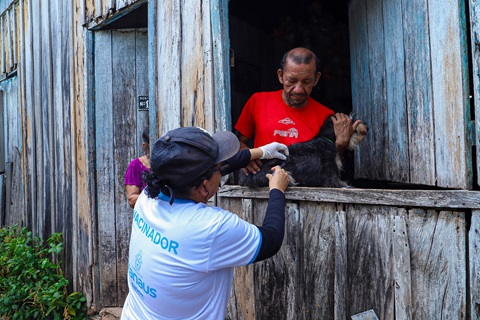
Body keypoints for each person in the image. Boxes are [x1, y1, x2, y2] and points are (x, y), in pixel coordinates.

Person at [121, 126, 290, 319]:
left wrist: (261, 152)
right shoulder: (210, 227)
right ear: (203, 187)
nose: (221, 171)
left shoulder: (146, 197)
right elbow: (272, 240)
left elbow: (209, 171)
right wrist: (277, 190)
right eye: (218, 169)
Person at [234, 47, 362, 174]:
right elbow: (238, 142)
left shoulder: (326, 116)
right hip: (263, 184)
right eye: (292, 81)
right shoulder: (258, 102)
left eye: (306, 82)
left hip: (305, 190)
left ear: (316, 79)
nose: (298, 89)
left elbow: (328, 165)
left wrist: (341, 146)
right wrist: (246, 155)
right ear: (281, 76)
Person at [124, 128, 151, 208]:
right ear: (145, 146)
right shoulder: (135, 166)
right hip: (147, 216)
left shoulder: (168, 164)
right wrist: (157, 198)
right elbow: (132, 200)